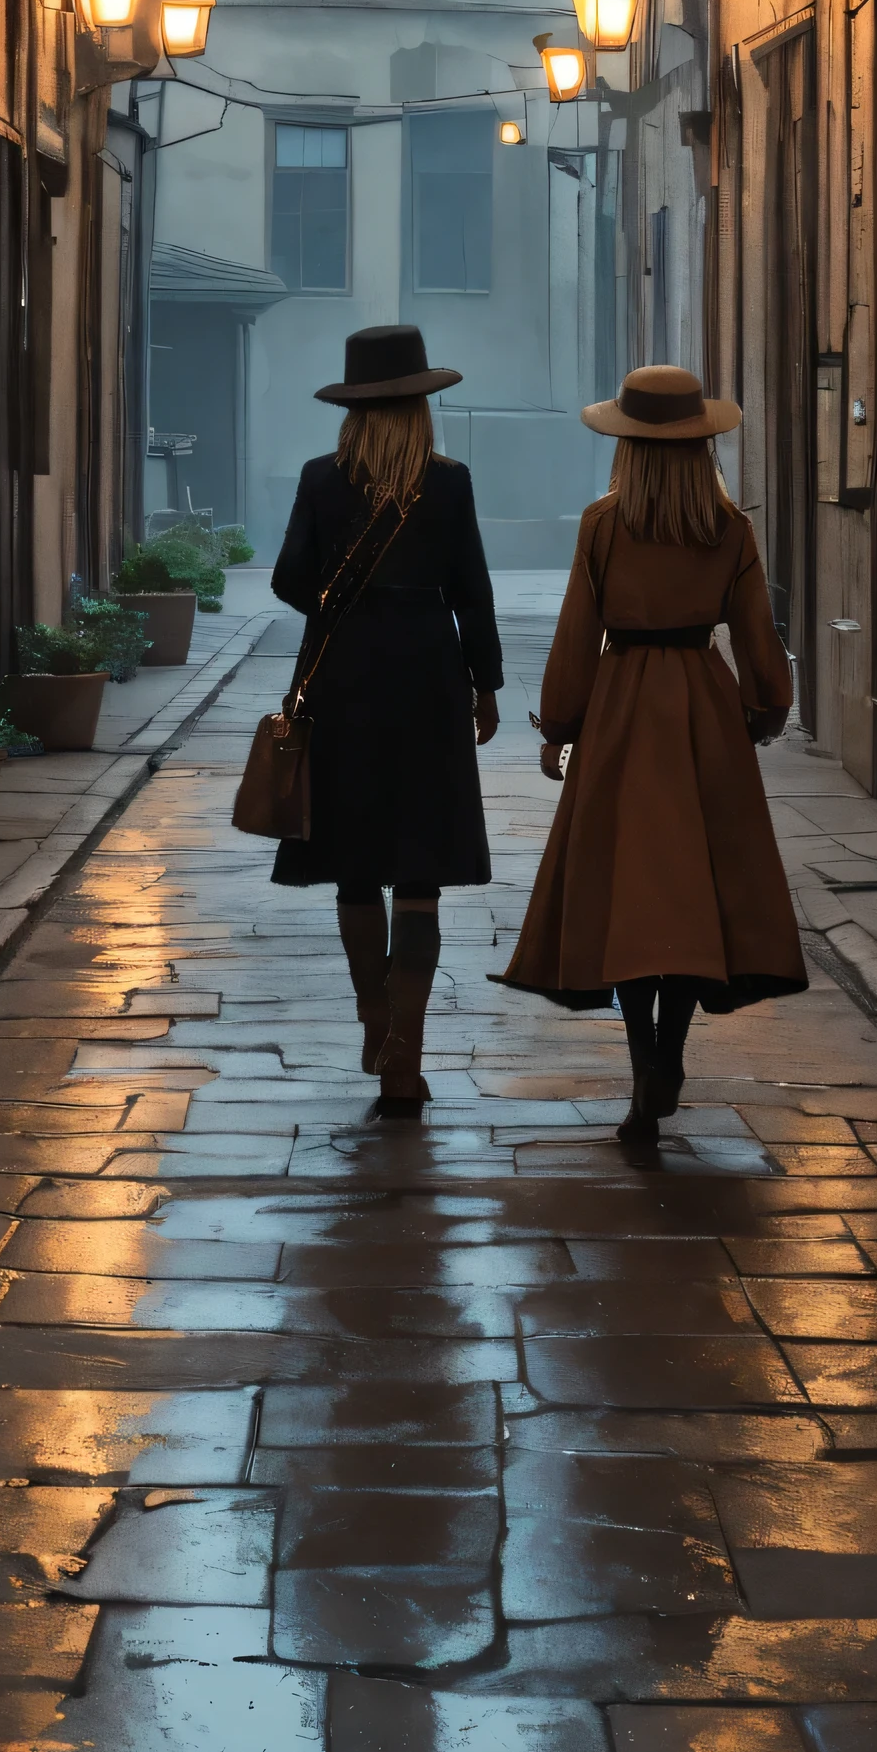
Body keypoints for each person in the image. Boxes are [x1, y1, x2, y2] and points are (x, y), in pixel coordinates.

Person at [501, 363, 804, 1151]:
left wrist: (559, 727)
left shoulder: (603, 525)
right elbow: (756, 634)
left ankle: (643, 1073)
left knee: (631, 899)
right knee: (695, 897)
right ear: (703, 444)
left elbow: (577, 633)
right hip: (703, 710)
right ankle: (671, 1057)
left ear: (627, 447)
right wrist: (768, 708)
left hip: (623, 711)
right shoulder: (730, 528)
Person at [269, 323, 501, 1117]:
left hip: (343, 678)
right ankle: (407, 1053)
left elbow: (288, 578)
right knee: (422, 871)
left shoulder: (320, 479)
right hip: (430, 678)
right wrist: (487, 685)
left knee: (356, 865)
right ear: (420, 408)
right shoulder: (451, 482)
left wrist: (341, 606)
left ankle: (374, 1015)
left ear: (354, 409)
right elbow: (473, 589)